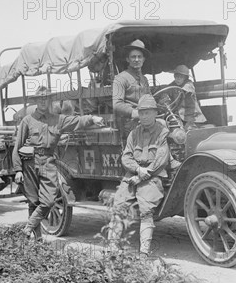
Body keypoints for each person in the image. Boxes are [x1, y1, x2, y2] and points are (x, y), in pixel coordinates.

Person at [12, 86, 105, 239]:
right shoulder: (27, 121)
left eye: (46, 98)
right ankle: (38, 240)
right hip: (29, 163)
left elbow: (76, 121)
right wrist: (18, 170)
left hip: (48, 162)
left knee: (48, 201)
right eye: (40, 98)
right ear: (36, 101)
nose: (43, 101)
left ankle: (27, 228)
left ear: (49, 101)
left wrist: (92, 118)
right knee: (33, 201)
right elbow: (17, 146)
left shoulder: (58, 120)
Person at [108, 94, 170, 256]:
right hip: (134, 173)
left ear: (155, 113)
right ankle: (112, 248)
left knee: (146, 210)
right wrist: (137, 170)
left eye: (147, 112)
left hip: (153, 175)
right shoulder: (134, 134)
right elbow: (126, 157)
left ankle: (144, 253)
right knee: (119, 205)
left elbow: (161, 160)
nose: (144, 116)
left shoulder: (162, 132)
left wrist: (143, 174)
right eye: (141, 113)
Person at [112, 39, 151, 139]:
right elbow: (117, 104)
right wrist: (133, 112)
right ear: (128, 59)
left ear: (143, 59)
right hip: (129, 122)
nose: (137, 59)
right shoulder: (120, 78)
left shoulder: (144, 79)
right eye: (133, 57)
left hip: (145, 119)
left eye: (139, 57)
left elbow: (149, 99)